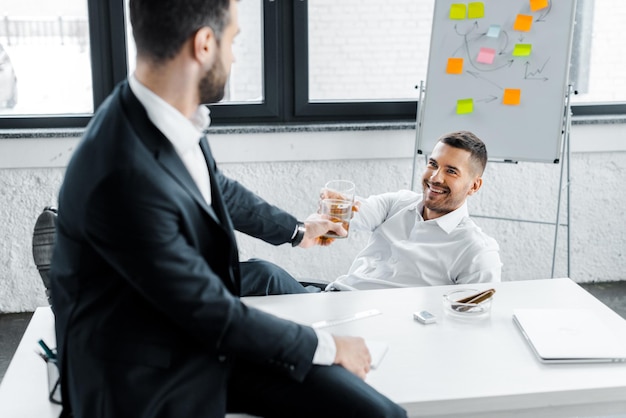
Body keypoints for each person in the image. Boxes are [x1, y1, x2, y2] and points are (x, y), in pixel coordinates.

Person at [48, 0, 407, 417]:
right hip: (147, 373)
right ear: (204, 44)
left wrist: (296, 230)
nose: (234, 54)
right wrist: (325, 346)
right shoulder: (122, 174)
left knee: (379, 412)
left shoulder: (163, 112)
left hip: (189, 330)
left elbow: (214, 186)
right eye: (233, 40)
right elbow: (208, 310)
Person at [326, 130, 502, 291]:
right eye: (433, 164)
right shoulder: (399, 203)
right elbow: (355, 213)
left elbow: (472, 319)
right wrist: (334, 206)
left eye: (451, 171)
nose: (435, 177)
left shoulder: (477, 252)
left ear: (474, 185)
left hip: (374, 321)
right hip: (334, 297)